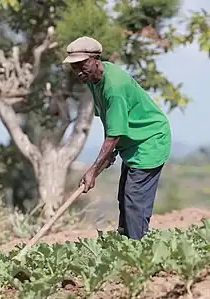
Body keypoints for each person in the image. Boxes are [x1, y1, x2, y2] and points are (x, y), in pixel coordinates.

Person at [62, 36, 171, 240]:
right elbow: (109, 121)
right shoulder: (94, 80)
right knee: (124, 197)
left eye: (81, 64)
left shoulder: (114, 87)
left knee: (134, 200)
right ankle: (127, 244)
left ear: (96, 59)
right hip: (132, 143)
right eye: (74, 67)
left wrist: (93, 170)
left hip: (149, 141)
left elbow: (115, 133)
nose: (78, 71)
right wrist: (108, 153)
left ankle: (138, 252)